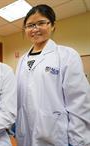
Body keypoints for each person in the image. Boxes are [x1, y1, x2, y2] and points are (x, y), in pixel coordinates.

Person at [15, 4, 90, 146]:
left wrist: (79, 141)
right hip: (24, 132)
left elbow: (79, 102)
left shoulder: (67, 55)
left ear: (53, 25)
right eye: (30, 25)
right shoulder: (22, 60)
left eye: (41, 23)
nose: (35, 29)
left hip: (55, 134)